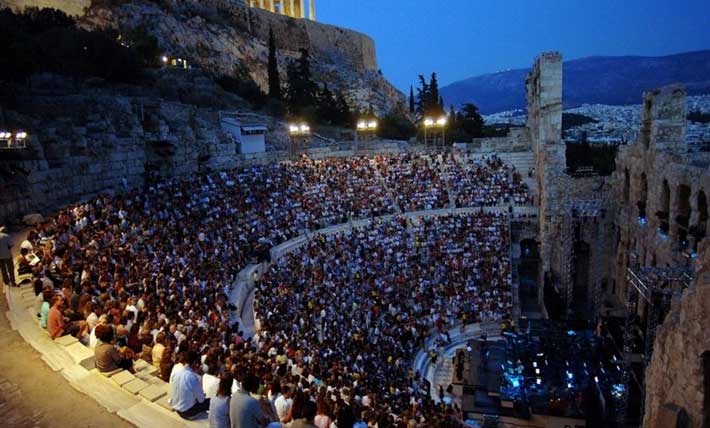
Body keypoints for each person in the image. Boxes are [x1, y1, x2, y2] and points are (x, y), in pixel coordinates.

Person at [171, 351, 210, 419]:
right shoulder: (192, 377)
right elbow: (201, 400)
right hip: (187, 412)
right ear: (194, 362)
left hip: (177, 408)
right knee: (211, 401)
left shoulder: (177, 373)